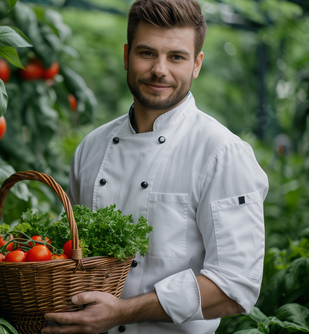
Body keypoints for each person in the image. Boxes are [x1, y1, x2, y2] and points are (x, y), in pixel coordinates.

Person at [41, 0, 269, 333]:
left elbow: (235, 286)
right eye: (147, 53)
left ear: (197, 65)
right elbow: (73, 257)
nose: (159, 69)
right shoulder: (92, 147)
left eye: (176, 56)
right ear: (126, 56)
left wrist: (120, 312)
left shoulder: (223, 153)